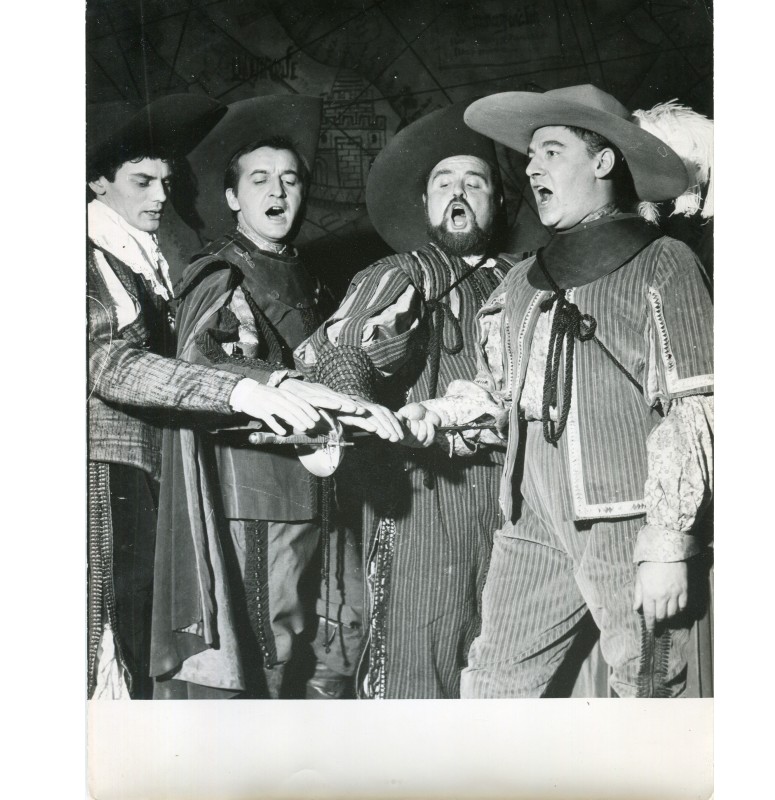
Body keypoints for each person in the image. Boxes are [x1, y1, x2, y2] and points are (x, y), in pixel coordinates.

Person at [401, 85, 713, 698]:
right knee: (491, 682)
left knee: (646, 685)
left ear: (603, 163)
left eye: (550, 150)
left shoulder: (663, 262)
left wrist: (667, 542)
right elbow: (502, 393)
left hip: (626, 520)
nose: (530, 167)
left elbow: (696, 404)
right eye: (529, 155)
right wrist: (435, 415)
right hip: (532, 518)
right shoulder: (521, 279)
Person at [87, 95, 360, 700]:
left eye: (166, 180)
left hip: (174, 472)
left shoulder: (150, 260)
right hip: (112, 473)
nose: (160, 195)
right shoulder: (102, 259)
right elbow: (112, 363)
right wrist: (249, 385)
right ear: (98, 183)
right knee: (118, 644)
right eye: (142, 181)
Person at [148, 96, 397, 699]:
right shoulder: (220, 272)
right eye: (259, 180)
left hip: (319, 484)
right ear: (233, 198)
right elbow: (202, 362)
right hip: (256, 485)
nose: (278, 191)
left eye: (290, 179)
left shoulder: (306, 273)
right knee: (264, 641)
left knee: (322, 639)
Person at [294, 102, 523, 699]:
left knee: (505, 672)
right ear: (424, 204)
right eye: (443, 182)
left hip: (517, 501)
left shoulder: (525, 280)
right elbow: (331, 355)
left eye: (474, 182)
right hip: (425, 500)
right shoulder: (402, 273)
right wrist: (364, 379)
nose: (458, 192)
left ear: (498, 202)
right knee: (419, 668)